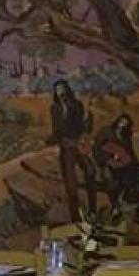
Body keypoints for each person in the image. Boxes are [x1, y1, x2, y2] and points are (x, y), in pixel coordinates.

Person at [92, 111, 139, 214]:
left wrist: (137, 163)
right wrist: (107, 159)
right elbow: (97, 148)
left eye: (125, 123)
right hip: (107, 163)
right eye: (122, 122)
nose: (122, 124)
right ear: (118, 121)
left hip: (123, 164)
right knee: (112, 181)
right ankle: (116, 205)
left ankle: (131, 204)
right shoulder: (106, 131)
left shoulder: (126, 136)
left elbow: (130, 152)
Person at [49, 77, 90, 216]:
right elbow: (56, 130)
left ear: (67, 89)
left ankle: (92, 208)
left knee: (90, 170)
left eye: (62, 89)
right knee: (70, 179)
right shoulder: (54, 108)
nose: (60, 92)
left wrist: (87, 124)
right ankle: (75, 213)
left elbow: (81, 127)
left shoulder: (77, 105)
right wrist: (53, 141)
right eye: (57, 90)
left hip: (78, 143)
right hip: (66, 146)